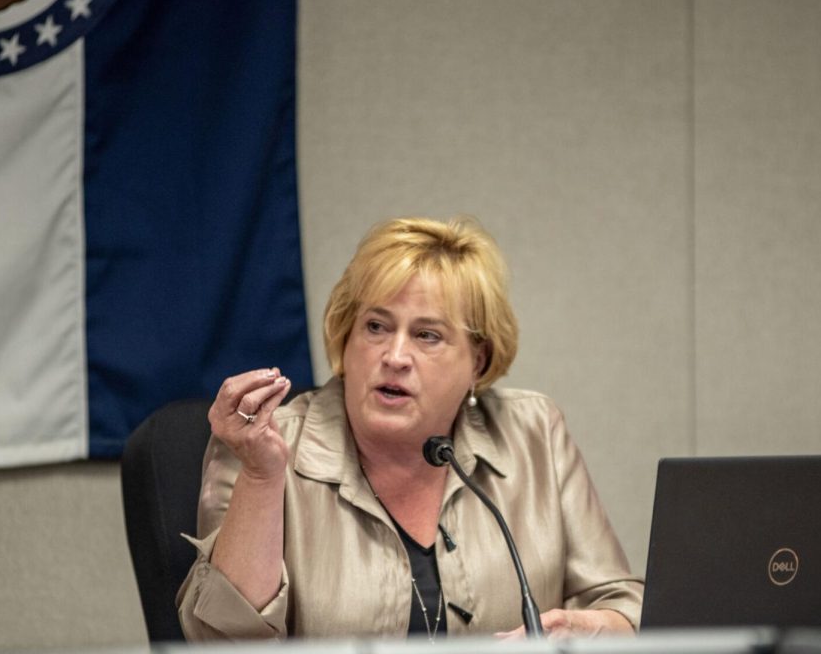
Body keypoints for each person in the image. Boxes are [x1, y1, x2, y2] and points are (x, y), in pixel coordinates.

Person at [177, 216, 643, 640]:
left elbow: (628, 610)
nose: (395, 357)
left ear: (477, 361)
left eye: (427, 335)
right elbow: (224, 643)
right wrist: (261, 476)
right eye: (376, 326)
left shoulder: (533, 433)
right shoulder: (266, 445)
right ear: (347, 335)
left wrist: (581, 632)